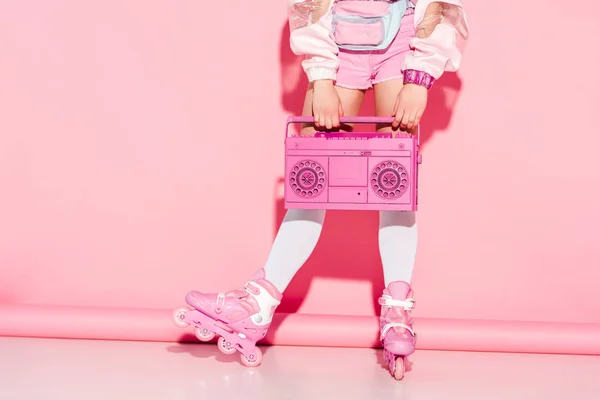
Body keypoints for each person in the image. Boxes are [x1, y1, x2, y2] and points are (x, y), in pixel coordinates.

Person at [177, 0, 469, 380]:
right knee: (312, 177)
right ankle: (259, 304)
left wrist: (421, 79)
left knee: (394, 177)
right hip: (337, 39)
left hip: (404, 41)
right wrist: (320, 79)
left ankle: (397, 309)